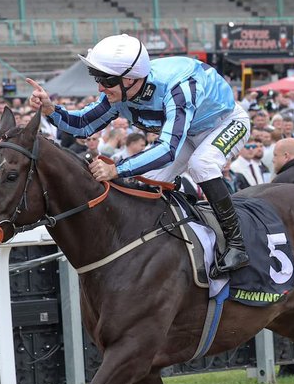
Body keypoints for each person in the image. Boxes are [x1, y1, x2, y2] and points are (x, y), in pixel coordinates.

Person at [31, 34, 253, 276]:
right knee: (150, 177)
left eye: (106, 80)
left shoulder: (178, 88)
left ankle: (236, 244)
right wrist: (51, 108)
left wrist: (117, 168)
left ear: (129, 79)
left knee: (202, 164)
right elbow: (84, 124)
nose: (99, 87)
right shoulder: (120, 91)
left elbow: (168, 149)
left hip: (226, 122)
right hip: (187, 133)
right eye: (97, 78)